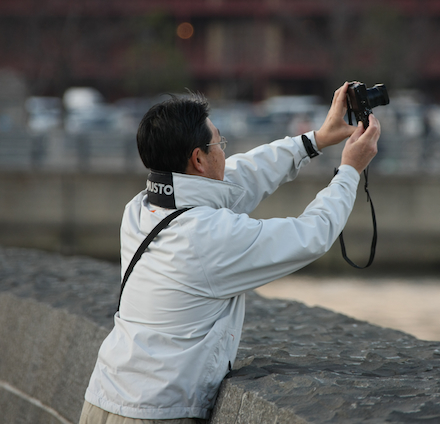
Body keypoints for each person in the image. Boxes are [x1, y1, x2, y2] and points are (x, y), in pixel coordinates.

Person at [80, 82, 381, 423]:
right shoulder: (206, 236)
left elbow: (237, 178)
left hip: (102, 398)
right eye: (219, 144)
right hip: (156, 412)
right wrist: (349, 171)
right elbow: (311, 235)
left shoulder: (140, 207)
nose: (224, 152)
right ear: (198, 159)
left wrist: (314, 141)